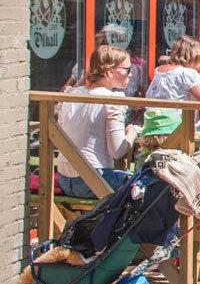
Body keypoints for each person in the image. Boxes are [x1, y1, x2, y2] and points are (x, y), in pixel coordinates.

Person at [55, 46, 142, 199]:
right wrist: (132, 133)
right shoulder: (113, 100)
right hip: (95, 180)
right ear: (109, 71)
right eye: (127, 69)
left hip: (64, 180)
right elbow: (118, 151)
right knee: (148, 185)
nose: (131, 73)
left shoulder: (71, 95)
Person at [146, 36, 200, 113]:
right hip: (179, 123)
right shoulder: (187, 73)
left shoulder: (159, 70)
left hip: (154, 120)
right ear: (194, 57)